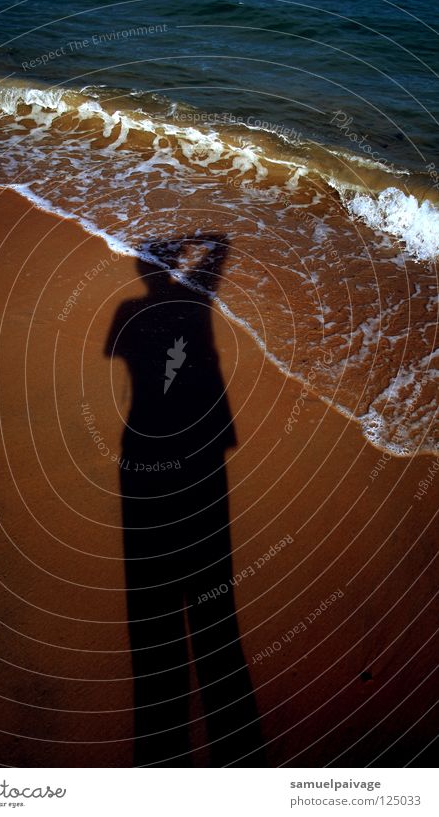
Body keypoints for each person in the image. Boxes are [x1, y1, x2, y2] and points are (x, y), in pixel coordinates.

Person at [105, 234, 263, 766]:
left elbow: (118, 353)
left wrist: (166, 255)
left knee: (152, 584)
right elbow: (219, 250)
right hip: (198, 441)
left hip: (145, 440)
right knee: (212, 583)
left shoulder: (130, 311)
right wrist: (195, 242)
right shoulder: (194, 302)